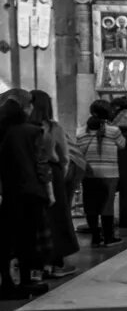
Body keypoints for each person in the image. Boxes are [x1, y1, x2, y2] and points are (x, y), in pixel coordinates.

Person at [0, 88, 53, 298]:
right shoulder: (32, 131)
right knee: (27, 240)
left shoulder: (3, 130)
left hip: (8, 192)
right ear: (25, 108)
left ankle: (7, 282)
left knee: (6, 240)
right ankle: (24, 282)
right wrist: (49, 191)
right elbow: (41, 164)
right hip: (30, 192)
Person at [30, 90, 79, 278]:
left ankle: (36, 265)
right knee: (57, 218)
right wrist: (62, 173)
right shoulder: (53, 128)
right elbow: (65, 156)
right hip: (53, 172)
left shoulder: (23, 128)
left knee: (37, 218)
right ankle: (55, 263)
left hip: (32, 173)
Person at [76, 100, 126, 248]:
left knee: (90, 206)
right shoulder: (114, 131)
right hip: (109, 174)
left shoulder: (81, 131)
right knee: (107, 205)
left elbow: (78, 150)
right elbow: (122, 145)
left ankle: (96, 238)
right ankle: (109, 238)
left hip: (89, 173)